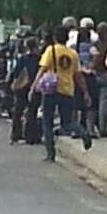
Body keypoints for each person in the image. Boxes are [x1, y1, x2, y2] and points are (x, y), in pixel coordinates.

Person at [29, 26, 92, 162]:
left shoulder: (50, 51)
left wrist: (34, 86)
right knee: (67, 122)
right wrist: (85, 92)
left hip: (50, 90)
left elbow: (42, 70)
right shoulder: (73, 54)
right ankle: (83, 132)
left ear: (55, 38)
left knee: (47, 122)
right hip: (67, 90)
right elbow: (78, 75)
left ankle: (50, 154)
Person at [9, 37, 41, 144]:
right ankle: (30, 136)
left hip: (22, 88)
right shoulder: (39, 59)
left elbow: (16, 72)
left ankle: (15, 135)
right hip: (35, 87)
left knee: (18, 111)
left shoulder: (23, 58)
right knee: (32, 112)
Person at [72, 27, 99, 137]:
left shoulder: (75, 49)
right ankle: (90, 129)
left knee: (76, 104)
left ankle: (75, 129)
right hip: (89, 75)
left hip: (77, 75)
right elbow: (97, 55)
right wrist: (91, 65)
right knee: (91, 104)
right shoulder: (90, 47)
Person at [94, 22, 107, 137]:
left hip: (95, 74)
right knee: (104, 102)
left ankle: (92, 127)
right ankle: (102, 128)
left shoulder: (95, 45)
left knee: (94, 103)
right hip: (106, 74)